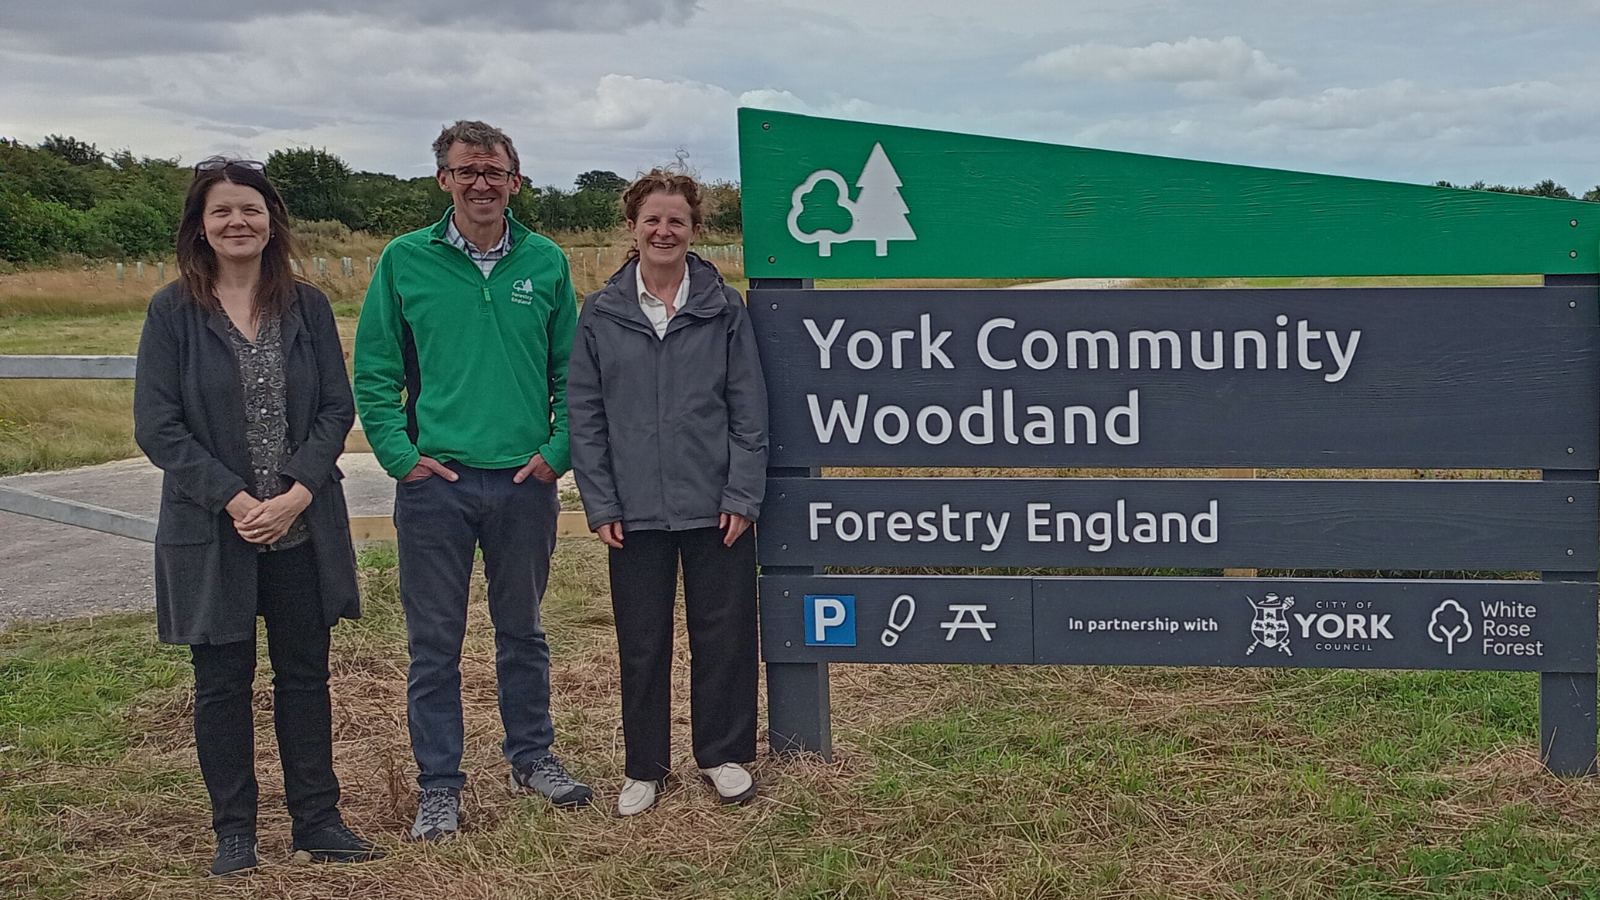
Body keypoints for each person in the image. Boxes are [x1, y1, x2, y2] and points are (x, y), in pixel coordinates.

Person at [133, 158, 380, 877]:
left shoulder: (304, 305)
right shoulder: (172, 311)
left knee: (305, 676)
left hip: (301, 526)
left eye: (250, 209)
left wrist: (299, 489)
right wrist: (238, 500)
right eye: (222, 212)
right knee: (221, 683)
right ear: (200, 227)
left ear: (272, 221)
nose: (237, 222)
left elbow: (338, 407)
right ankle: (234, 830)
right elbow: (158, 425)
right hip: (215, 531)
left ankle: (318, 820)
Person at [353, 120, 591, 841]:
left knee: (523, 630)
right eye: (467, 171)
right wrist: (399, 455)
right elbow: (375, 368)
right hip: (436, 487)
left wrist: (559, 449)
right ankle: (439, 787)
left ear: (516, 181)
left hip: (524, 483)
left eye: (495, 171)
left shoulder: (545, 262)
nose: (482, 183)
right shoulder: (404, 261)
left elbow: (573, 373)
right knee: (435, 645)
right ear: (444, 181)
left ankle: (532, 758)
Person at [567, 169, 768, 816]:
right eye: (652, 219)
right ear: (633, 226)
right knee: (643, 641)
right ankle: (644, 767)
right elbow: (586, 413)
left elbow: (748, 409)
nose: (663, 230)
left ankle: (723, 754)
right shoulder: (599, 313)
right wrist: (600, 501)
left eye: (676, 220)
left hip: (716, 507)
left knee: (725, 634)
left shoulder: (724, 307)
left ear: (694, 230)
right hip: (633, 511)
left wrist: (742, 493)